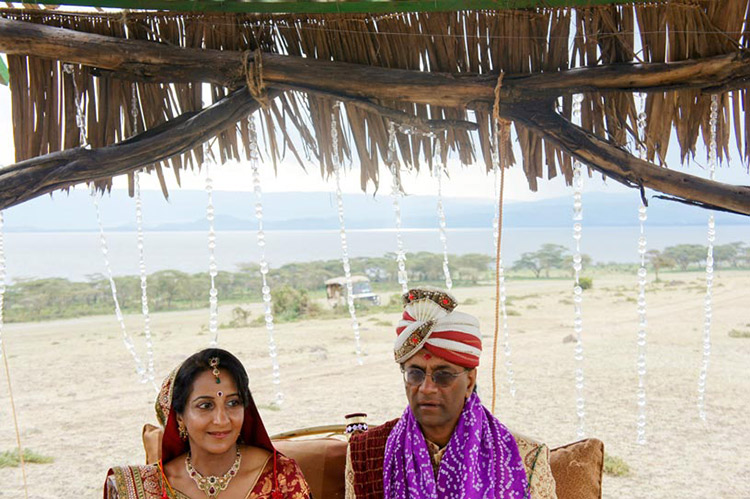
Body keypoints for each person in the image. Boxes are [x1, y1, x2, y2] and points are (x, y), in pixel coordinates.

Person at [345, 287, 557, 498]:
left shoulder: (526, 456)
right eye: (415, 374)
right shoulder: (365, 453)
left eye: (443, 375)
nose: (426, 388)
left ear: (469, 381)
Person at [105, 348, 311, 499]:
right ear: (179, 417)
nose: (221, 420)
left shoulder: (280, 476)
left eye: (233, 403)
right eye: (205, 406)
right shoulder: (144, 488)